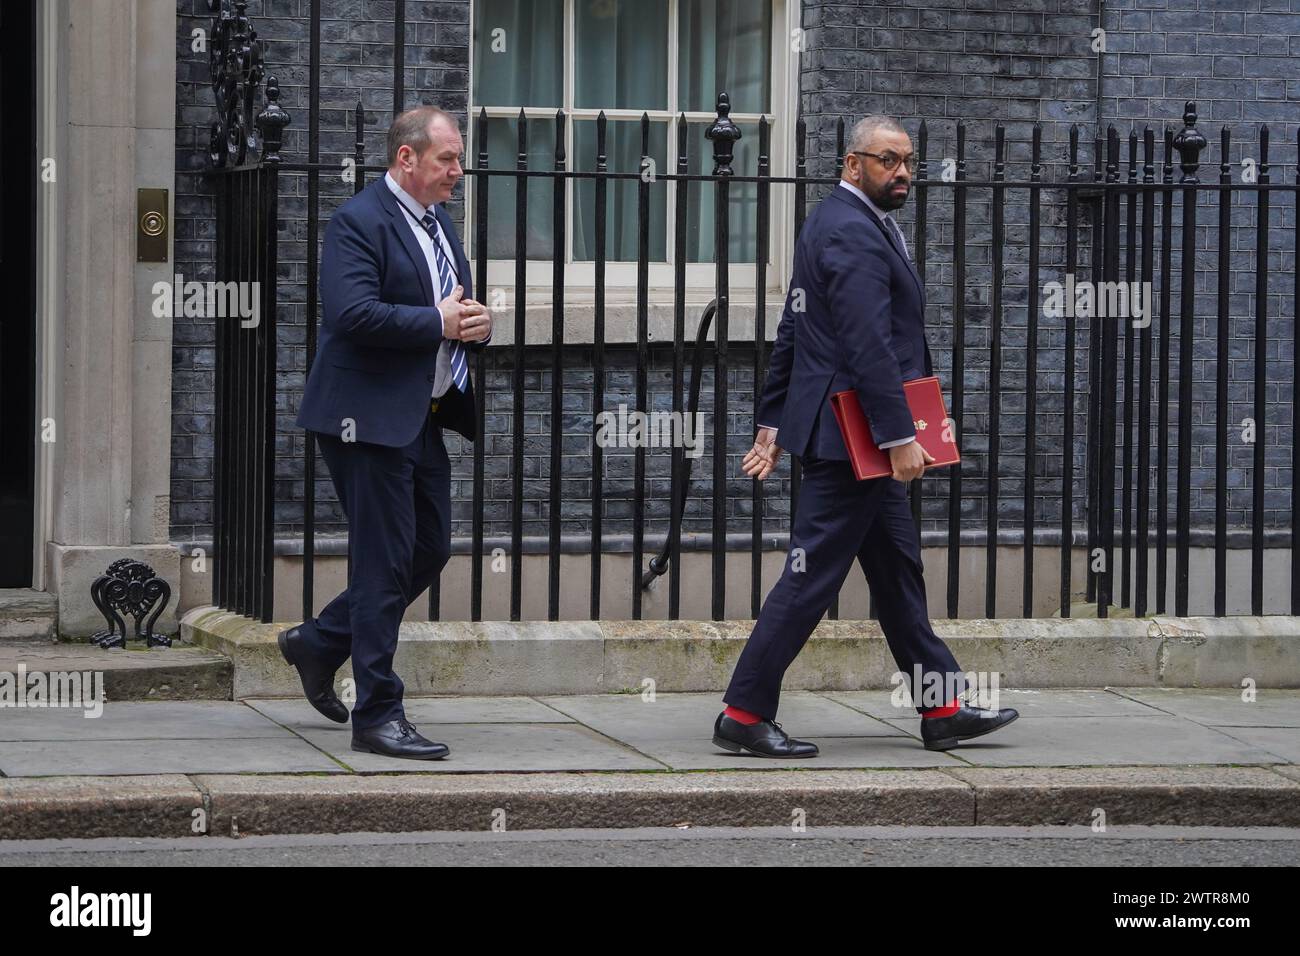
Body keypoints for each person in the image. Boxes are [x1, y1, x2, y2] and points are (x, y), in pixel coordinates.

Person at [712, 114, 1018, 757]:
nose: (901, 171)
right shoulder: (851, 231)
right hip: (851, 443)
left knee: (897, 572)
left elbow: (796, 330)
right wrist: (902, 434)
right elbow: (867, 346)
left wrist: (772, 420)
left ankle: (942, 707)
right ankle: (743, 712)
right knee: (810, 575)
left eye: (908, 160)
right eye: (886, 160)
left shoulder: (840, 222)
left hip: (852, 436)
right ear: (853, 163)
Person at [280, 106, 492, 760]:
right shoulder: (358, 221)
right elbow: (351, 314)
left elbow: (448, 308)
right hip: (362, 418)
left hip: (419, 416)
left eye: (457, 159)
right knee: (384, 559)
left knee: (430, 547)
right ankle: (376, 713)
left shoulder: (437, 223)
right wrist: (439, 322)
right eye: (446, 159)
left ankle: (318, 643)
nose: (458, 170)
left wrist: (474, 323)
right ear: (406, 159)